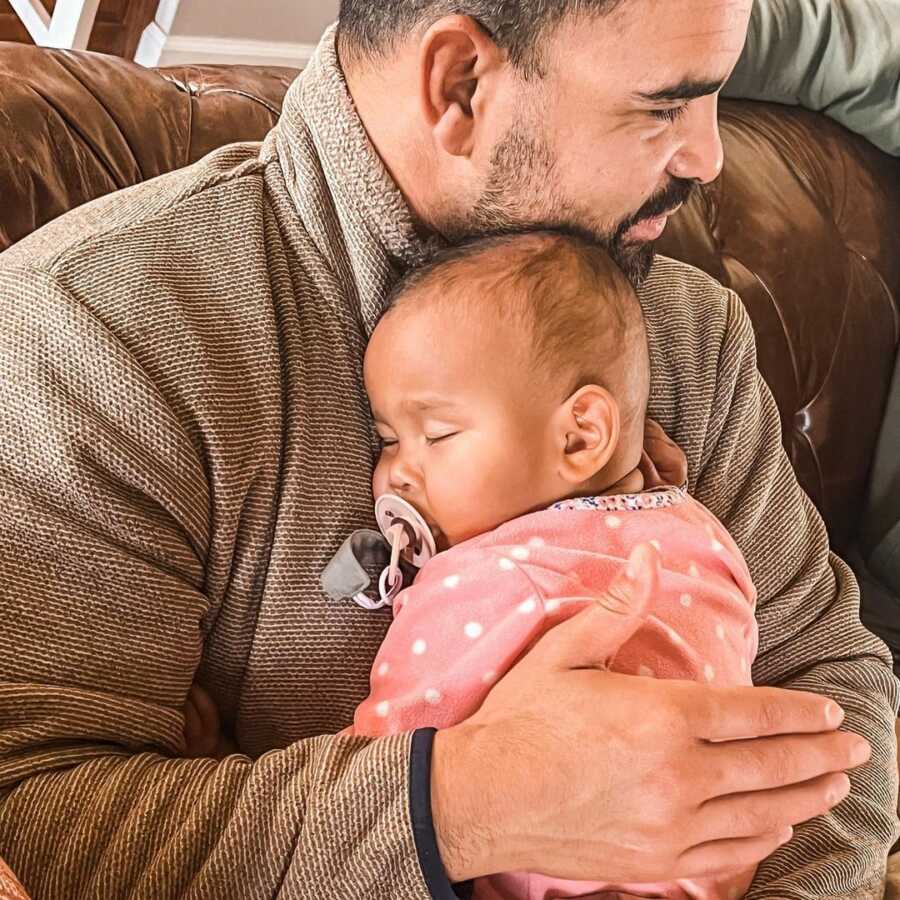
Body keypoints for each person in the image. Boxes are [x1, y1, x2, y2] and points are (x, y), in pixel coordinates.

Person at [0, 2, 895, 899]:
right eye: (664, 106)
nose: (709, 157)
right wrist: (466, 804)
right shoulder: (96, 334)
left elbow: (826, 676)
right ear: (459, 85)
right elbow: (30, 814)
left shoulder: (682, 330)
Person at [349, 230, 760, 900]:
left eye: (437, 434)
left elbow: (379, 773)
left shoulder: (494, 582)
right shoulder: (702, 535)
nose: (397, 473)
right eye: (388, 440)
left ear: (579, 437)